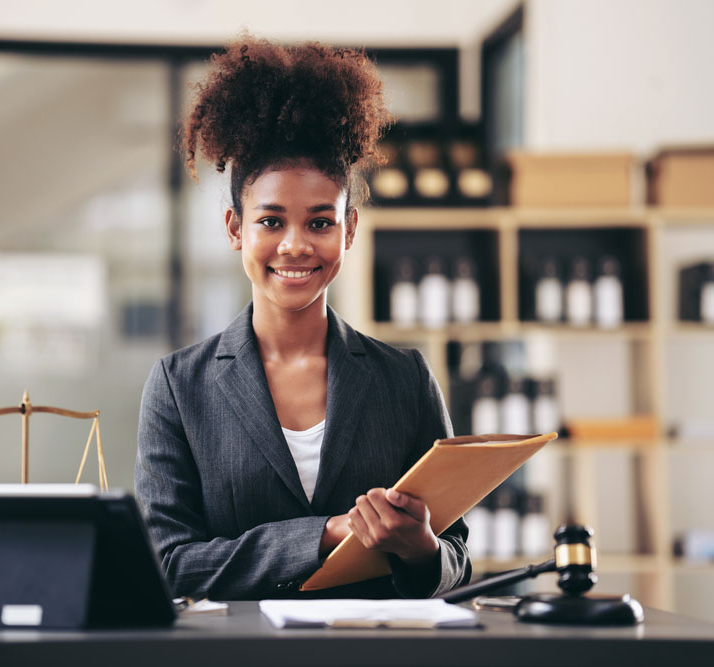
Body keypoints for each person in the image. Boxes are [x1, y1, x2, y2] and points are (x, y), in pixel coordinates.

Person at [135, 36, 470, 601]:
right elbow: (166, 564)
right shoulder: (179, 386)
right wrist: (323, 536)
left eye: (320, 223)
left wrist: (423, 550)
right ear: (235, 229)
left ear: (351, 230)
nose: (295, 246)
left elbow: (457, 558)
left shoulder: (405, 379)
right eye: (270, 222)